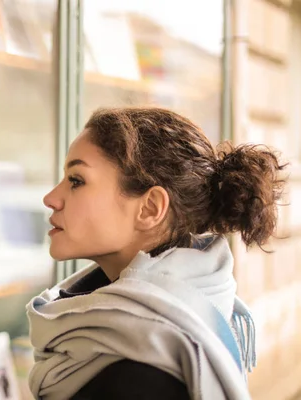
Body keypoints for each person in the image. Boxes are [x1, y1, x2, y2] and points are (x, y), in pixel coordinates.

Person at [27, 107, 286, 400]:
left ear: (149, 209)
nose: (51, 198)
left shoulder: (142, 376)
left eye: (76, 180)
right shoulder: (189, 313)